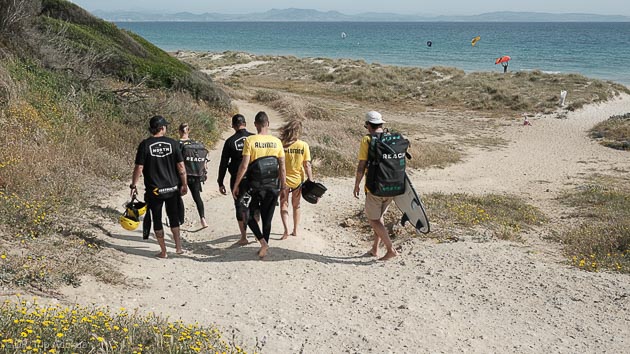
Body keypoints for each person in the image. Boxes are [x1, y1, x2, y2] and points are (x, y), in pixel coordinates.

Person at [130, 115, 187, 258]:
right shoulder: (173, 143)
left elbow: (139, 167)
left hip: (154, 190)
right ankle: (178, 247)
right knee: (173, 217)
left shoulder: (145, 145)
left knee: (157, 218)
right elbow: (181, 166)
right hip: (172, 188)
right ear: (162, 128)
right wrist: (184, 183)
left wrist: (133, 184)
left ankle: (163, 251)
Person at [233, 111, 286, 258]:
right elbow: (282, 166)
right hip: (273, 186)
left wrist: (236, 184)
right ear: (267, 124)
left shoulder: (250, 141)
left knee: (246, 213)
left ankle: (263, 242)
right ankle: (265, 246)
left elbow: (244, 166)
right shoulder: (277, 142)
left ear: (255, 124)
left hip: (255, 186)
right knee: (267, 219)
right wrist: (284, 186)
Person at [353, 111, 398, 261]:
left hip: (375, 186)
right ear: (381, 124)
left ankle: (390, 249)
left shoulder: (367, 140)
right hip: (393, 185)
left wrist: (357, 184)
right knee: (379, 218)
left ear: (368, 125)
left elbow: (362, 165)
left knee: (373, 220)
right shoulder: (391, 138)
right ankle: (375, 248)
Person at [218, 114, 254, 245]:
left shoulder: (230, 141)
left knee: (240, 205)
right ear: (245, 123)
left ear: (233, 126)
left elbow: (223, 163)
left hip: (237, 179)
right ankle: (257, 233)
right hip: (254, 177)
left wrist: (220, 181)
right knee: (254, 204)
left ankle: (244, 236)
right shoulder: (254, 138)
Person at [278, 120, 313, 239]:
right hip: (298, 180)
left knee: (284, 204)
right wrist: (311, 180)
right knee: (296, 205)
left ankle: (286, 229)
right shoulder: (303, 145)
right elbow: (307, 165)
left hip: (283, 180)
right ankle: (295, 230)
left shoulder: (281, 144)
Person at [178, 123, 209, 229]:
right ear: (189, 131)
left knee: (178, 197)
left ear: (179, 131)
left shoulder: (177, 144)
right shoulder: (196, 144)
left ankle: (181, 220)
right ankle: (203, 219)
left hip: (182, 176)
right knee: (197, 197)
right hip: (195, 175)